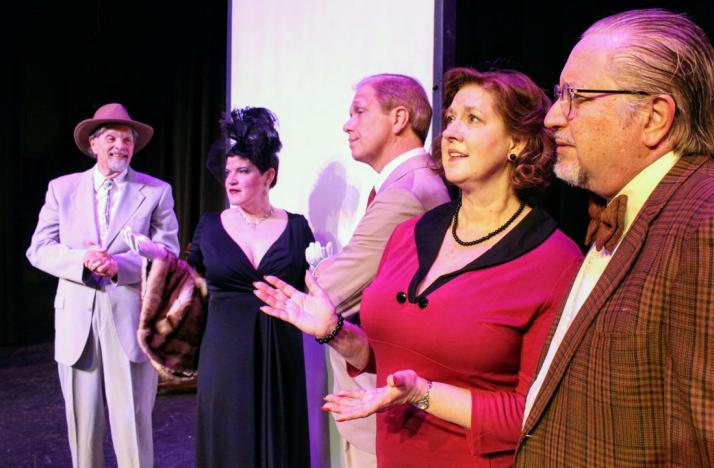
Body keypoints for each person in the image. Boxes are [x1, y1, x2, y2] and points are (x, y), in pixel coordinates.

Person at [254, 67, 583, 466]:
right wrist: (335, 332)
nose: (450, 132)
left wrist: (425, 393)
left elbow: (534, 412)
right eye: (451, 119)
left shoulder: (553, 261)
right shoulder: (411, 235)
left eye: (473, 119)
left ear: (517, 142)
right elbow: (393, 359)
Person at [517, 9, 714, 467]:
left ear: (654, 117)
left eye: (577, 97)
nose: (551, 117)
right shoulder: (625, 209)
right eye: (558, 95)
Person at [26, 103, 180, 467]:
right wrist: (81, 260)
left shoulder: (155, 192)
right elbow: (39, 249)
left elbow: (168, 254)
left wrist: (118, 266)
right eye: (111, 137)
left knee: (133, 424)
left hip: (128, 317)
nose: (120, 146)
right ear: (93, 144)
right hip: (77, 320)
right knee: (82, 427)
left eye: (127, 139)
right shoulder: (62, 189)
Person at [312, 73, 450, 467]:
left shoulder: (405, 193)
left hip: (383, 400)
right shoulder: (410, 184)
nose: (347, 124)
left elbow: (333, 289)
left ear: (399, 118)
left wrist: (322, 270)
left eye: (359, 111)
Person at [187, 107, 314, 467]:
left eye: (243, 171)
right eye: (228, 172)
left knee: (280, 439)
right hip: (224, 352)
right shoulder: (210, 226)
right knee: (229, 441)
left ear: (268, 175)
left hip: (280, 349)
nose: (231, 180)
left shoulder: (296, 228)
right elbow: (188, 286)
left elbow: (313, 287)